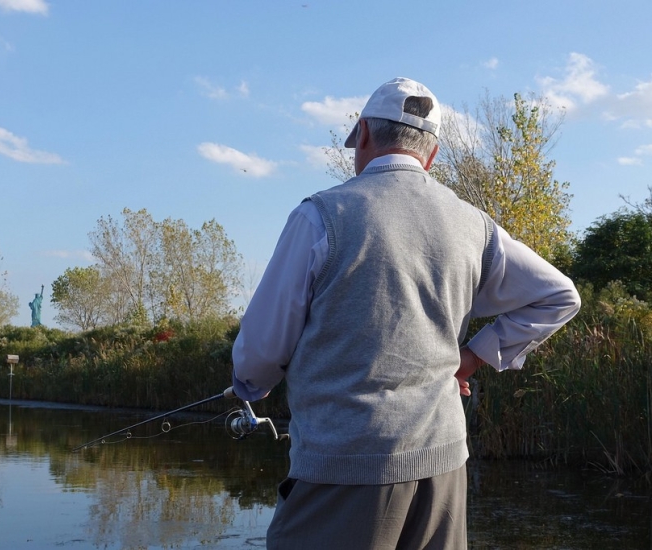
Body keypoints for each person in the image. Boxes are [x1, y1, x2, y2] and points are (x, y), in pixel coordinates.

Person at [231, 77, 581, 549]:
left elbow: (258, 354)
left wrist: (250, 386)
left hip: (343, 470)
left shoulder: (319, 217)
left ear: (365, 135)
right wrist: (473, 356)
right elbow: (559, 295)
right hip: (444, 467)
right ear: (431, 155)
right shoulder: (474, 225)